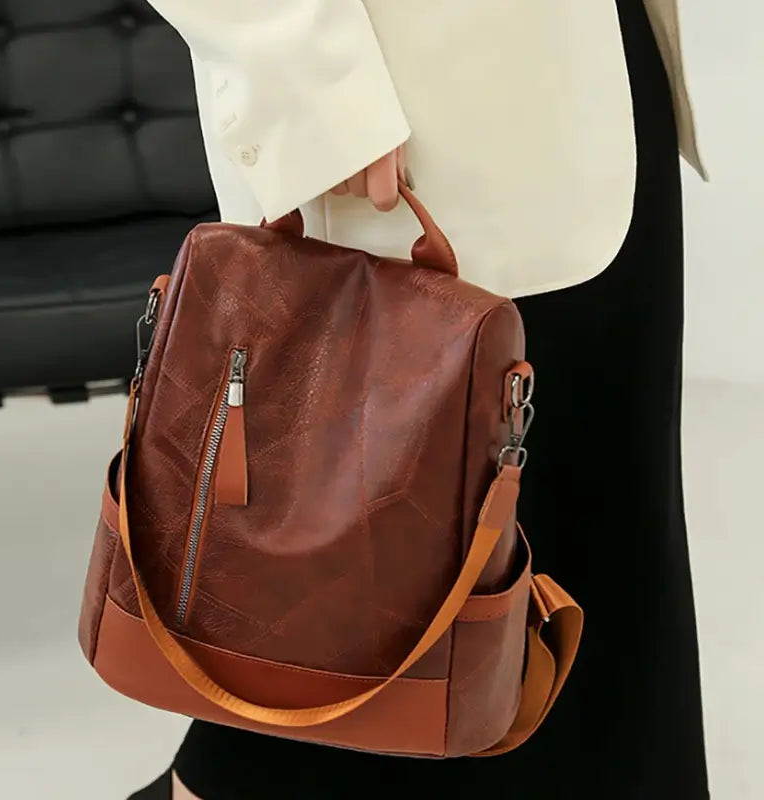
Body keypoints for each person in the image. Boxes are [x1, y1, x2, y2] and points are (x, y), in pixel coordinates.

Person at [129, 1, 710, 798]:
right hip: (410, 117)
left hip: (595, 78)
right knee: (362, 601)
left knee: (601, 546)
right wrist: (311, 82)